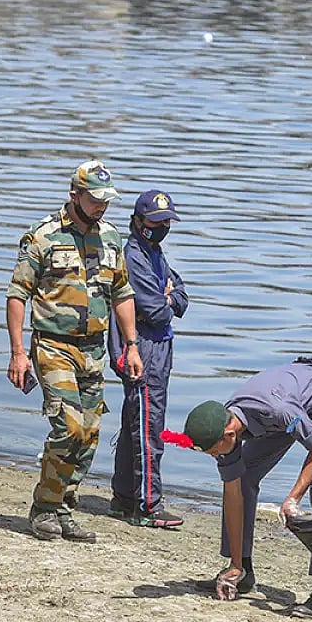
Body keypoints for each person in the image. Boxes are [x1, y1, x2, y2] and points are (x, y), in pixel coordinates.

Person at [6, 159, 144, 543]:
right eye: (95, 199)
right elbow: (18, 294)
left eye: (106, 200)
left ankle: (65, 507)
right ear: (74, 195)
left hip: (94, 349)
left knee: (89, 433)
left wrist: (131, 345)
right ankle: (44, 508)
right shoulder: (42, 237)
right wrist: (18, 352)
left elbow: (122, 293)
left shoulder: (111, 239)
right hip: (53, 345)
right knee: (67, 426)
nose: (102, 206)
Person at [169, 357, 312, 619]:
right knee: (244, 479)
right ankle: (243, 572)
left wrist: (293, 498)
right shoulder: (226, 425)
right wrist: (234, 565)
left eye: (213, 452)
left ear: (229, 435)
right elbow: (232, 493)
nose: (215, 457)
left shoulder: (278, 410)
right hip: (286, 416)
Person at [106, 190, 189, 528]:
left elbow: (181, 295)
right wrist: (166, 299)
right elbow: (156, 310)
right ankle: (148, 505)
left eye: (166, 221)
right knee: (148, 427)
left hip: (158, 346)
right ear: (139, 222)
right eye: (156, 222)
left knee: (134, 424)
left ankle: (124, 497)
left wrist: (171, 298)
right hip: (143, 349)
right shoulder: (134, 256)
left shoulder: (155, 252)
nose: (162, 227)